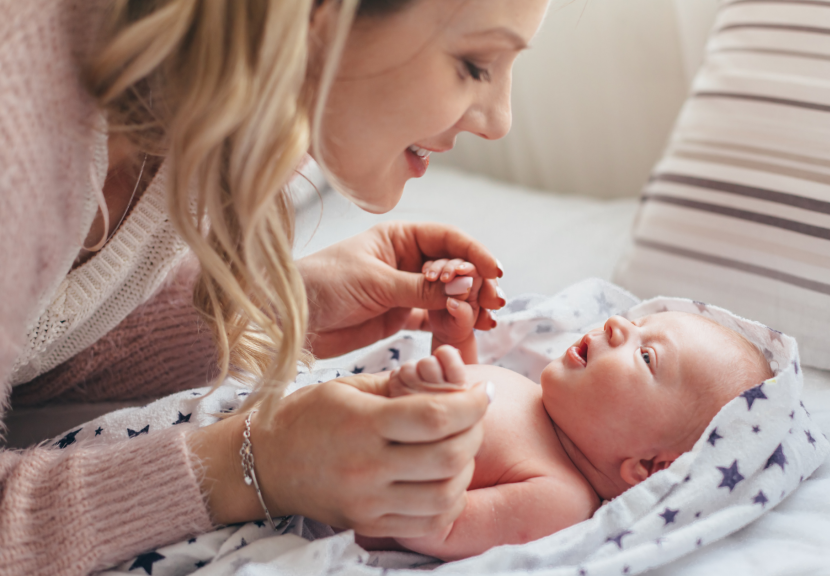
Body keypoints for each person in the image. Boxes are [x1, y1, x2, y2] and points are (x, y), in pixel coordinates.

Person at [0, 0, 548, 573]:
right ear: (318, 17)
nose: (499, 120)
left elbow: (40, 337)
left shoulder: (202, 111)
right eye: (476, 63)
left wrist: (273, 306)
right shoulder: (20, 127)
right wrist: (253, 467)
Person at [368, 263, 773, 560]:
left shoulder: (562, 498)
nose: (616, 323)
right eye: (639, 323)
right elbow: (465, 392)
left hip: (338, 480)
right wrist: (453, 342)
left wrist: (417, 436)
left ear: (648, 467)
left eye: (647, 356)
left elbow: (442, 526)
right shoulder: (538, 402)